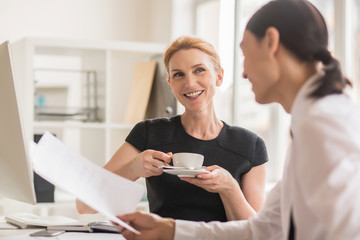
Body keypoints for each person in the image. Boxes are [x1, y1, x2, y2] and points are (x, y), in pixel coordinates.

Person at [115, 0, 360, 239]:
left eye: (244, 53)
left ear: (271, 42)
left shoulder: (326, 123)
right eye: (178, 74)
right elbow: (264, 230)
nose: (242, 72)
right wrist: (170, 230)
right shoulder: (311, 123)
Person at [76, 36, 268, 222]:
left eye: (199, 70)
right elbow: (84, 205)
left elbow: (258, 233)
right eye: (178, 74)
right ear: (170, 83)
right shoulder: (149, 133)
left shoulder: (250, 145)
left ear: (219, 77)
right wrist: (133, 168)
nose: (190, 83)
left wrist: (230, 189)